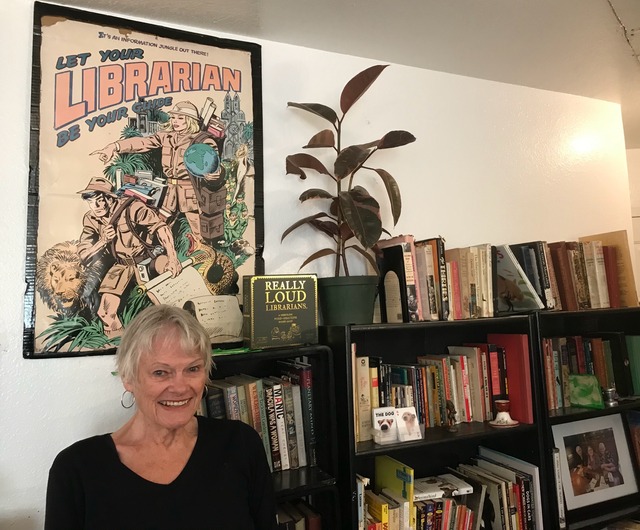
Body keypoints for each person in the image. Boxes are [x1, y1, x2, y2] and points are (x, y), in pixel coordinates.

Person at [45, 305, 277, 530]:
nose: (180, 387)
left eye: (193, 369)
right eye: (160, 372)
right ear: (128, 378)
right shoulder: (76, 469)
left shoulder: (240, 444)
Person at [91, 101, 224, 242]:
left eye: (180, 118)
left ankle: (205, 255)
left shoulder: (203, 140)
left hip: (191, 193)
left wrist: (215, 174)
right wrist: (115, 146)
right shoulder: (166, 136)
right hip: (170, 194)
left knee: (200, 233)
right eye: (173, 117)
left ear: (190, 120)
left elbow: (215, 164)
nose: (175, 121)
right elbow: (142, 143)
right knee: (159, 225)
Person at [76, 177, 181, 338]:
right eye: (91, 202)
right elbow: (83, 255)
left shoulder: (132, 207)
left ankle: (178, 338)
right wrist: (102, 241)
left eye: (98, 200)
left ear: (109, 198)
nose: (95, 206)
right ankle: (120, 345)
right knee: (105, 312)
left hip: (146, 258)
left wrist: (173, 258)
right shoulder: (90, 219)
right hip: (121, 265)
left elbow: (161, 227)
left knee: (170, 297)